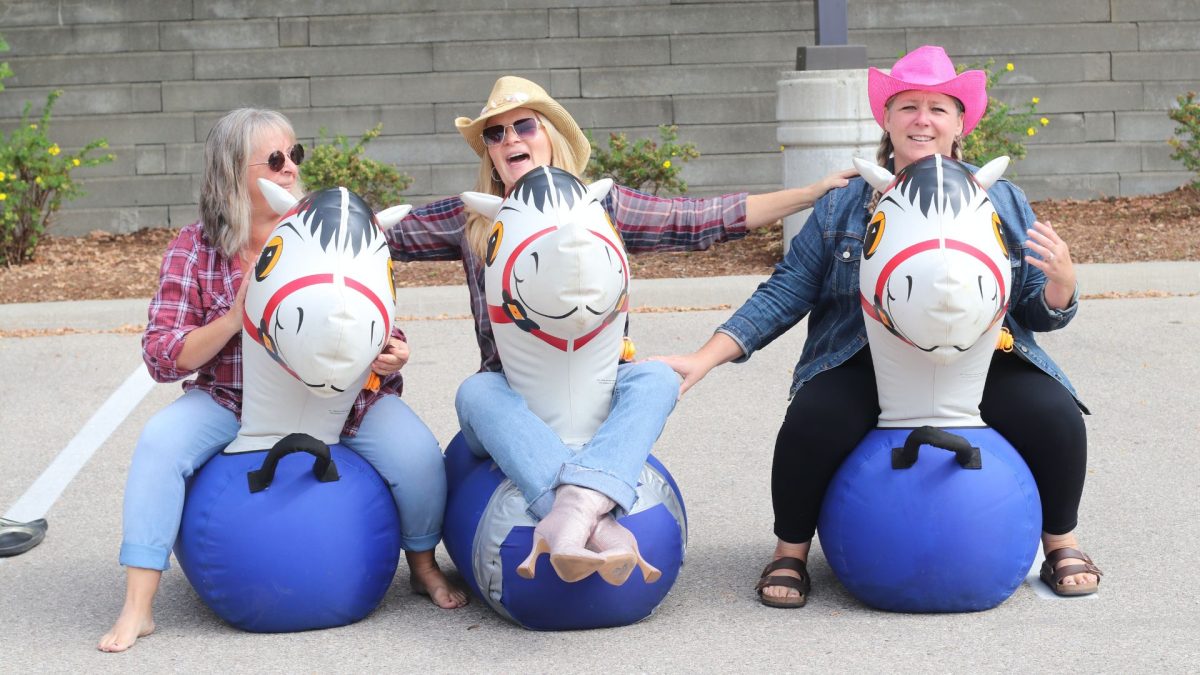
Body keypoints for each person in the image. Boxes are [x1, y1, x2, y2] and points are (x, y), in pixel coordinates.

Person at [657, 45, 1102, 607]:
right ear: (886, 120)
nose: (923, 119)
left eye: (938, 108)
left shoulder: (1002, 199)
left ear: (960, 123)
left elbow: (1037, 308)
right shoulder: (845, 204)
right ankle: (789, 551)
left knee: (1054, 416)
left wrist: (1061, 281)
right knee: (812, 424)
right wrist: (705, 357)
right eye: (908, 106)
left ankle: (1062, 541)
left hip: (980, 356)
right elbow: (787, 290)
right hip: (862, 355)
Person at [384, 76, 853, 584]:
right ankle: (595, 518)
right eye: (495, 135)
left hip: (600, 389)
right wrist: (287, 213)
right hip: (511, 397)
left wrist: (810, 194)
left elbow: (700, 219)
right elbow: (365, 239)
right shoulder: (471, 217)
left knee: (655, 379)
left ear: (552, 136)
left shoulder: (600, 207)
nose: (510, 140)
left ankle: (572, 514)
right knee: (475, 392)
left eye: (523, 125)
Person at [98, 108, 465, 653]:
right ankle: (138, 607)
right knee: (159, 445)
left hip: (342, 399)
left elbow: (367, 313)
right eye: (274, 159)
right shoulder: (193, 248)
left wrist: (392, 350)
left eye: (296, 154)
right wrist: (231, 319)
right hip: (232, 399)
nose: (291, 167)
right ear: (230, 171)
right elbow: (160, 355)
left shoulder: (318, 231)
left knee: (416, 455)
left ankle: (421, 565)